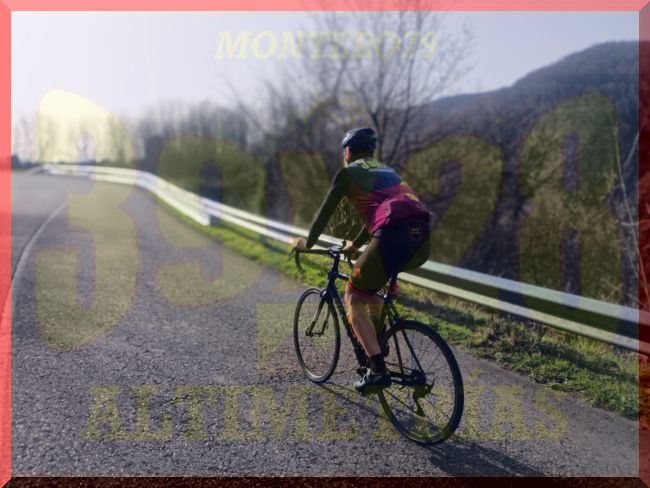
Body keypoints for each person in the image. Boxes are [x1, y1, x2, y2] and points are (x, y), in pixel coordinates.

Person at [293, 127, 432, 395]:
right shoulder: (388, 172)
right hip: (422, 238)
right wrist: (355, 246)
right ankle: (379, 341)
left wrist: (306, 244)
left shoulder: (348, 173)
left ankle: (377, 370)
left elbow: (324, 213)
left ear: (347, 152)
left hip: (391, 235)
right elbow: (379, 217)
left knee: (354, 297)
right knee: (373, 289)